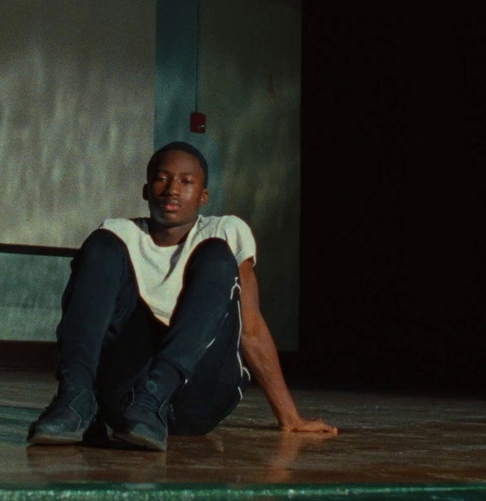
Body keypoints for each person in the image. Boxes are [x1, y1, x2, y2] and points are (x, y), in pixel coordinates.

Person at [28, 141, 337, 451]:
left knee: (216, 253)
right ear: (147, 190)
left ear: (203, 196)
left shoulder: (225, 231)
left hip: (197, 397)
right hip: (126, 399)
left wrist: (290, 418)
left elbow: (251, 330)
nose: (172, 189)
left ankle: (153, 398)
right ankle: (75, 400)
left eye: (186, 181)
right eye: (162, 179)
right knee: (101, 246)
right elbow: (83, 313)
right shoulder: (119, 236)